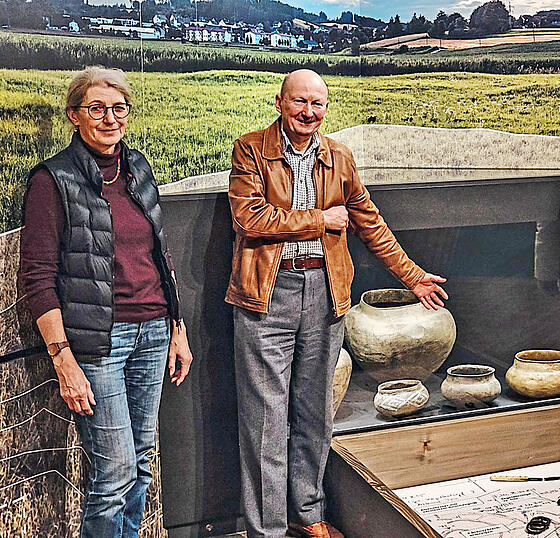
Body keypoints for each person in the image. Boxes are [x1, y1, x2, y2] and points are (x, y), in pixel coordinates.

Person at [227, 69, 448, 538]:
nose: (308, 113)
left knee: (314, 414)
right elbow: (250, 219)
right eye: (299, 102)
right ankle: (265, 530)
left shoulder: (339, 158)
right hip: (267, 296)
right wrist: (321, 220)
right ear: (279, 103)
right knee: (266, 420)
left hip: (326, 296)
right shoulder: (251, 149)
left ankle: (308, 516)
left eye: (318, 104)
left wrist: (413, 277)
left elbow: (370, 224)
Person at [18, 66, 193, 537]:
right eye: (97, 108)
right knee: (112, 475)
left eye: (119, 108)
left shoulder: (137, 168)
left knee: (141, 463)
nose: (110, 118)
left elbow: (160, 252)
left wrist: (177, 328)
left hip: (154, 331)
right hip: (97, 344)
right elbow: (36, 279)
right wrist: (63, 360)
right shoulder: (51, 180)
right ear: (76, 115)